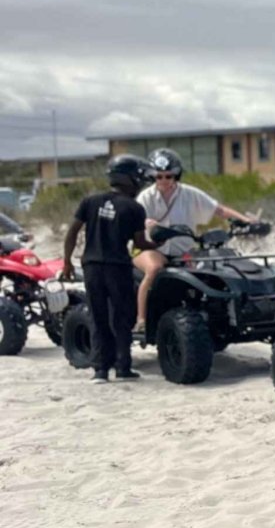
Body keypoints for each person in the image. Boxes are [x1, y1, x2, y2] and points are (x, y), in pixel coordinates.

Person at [133, 147, 259, 329]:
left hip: (183, 251)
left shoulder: (189, 194)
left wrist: (245, 220)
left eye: (168, 176)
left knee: (210, 271)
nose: (163, 181)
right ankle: (141, 320)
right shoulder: (146, 197)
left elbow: (218, 209)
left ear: (176, 175)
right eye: (158, 176)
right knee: (154, 268)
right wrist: (148, 223)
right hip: (151, 248)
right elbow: (136, 218)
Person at [60, 155, 157, 383]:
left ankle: (100, 371)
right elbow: (140, 243)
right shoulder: (134, 208)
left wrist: (66, 261)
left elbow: (72, 232)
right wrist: (159, 244)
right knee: (121, 318)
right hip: (118, 267)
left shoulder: (89, 201)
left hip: (92, 266)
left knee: (97, 316)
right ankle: (123, 368)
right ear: (131, 179)